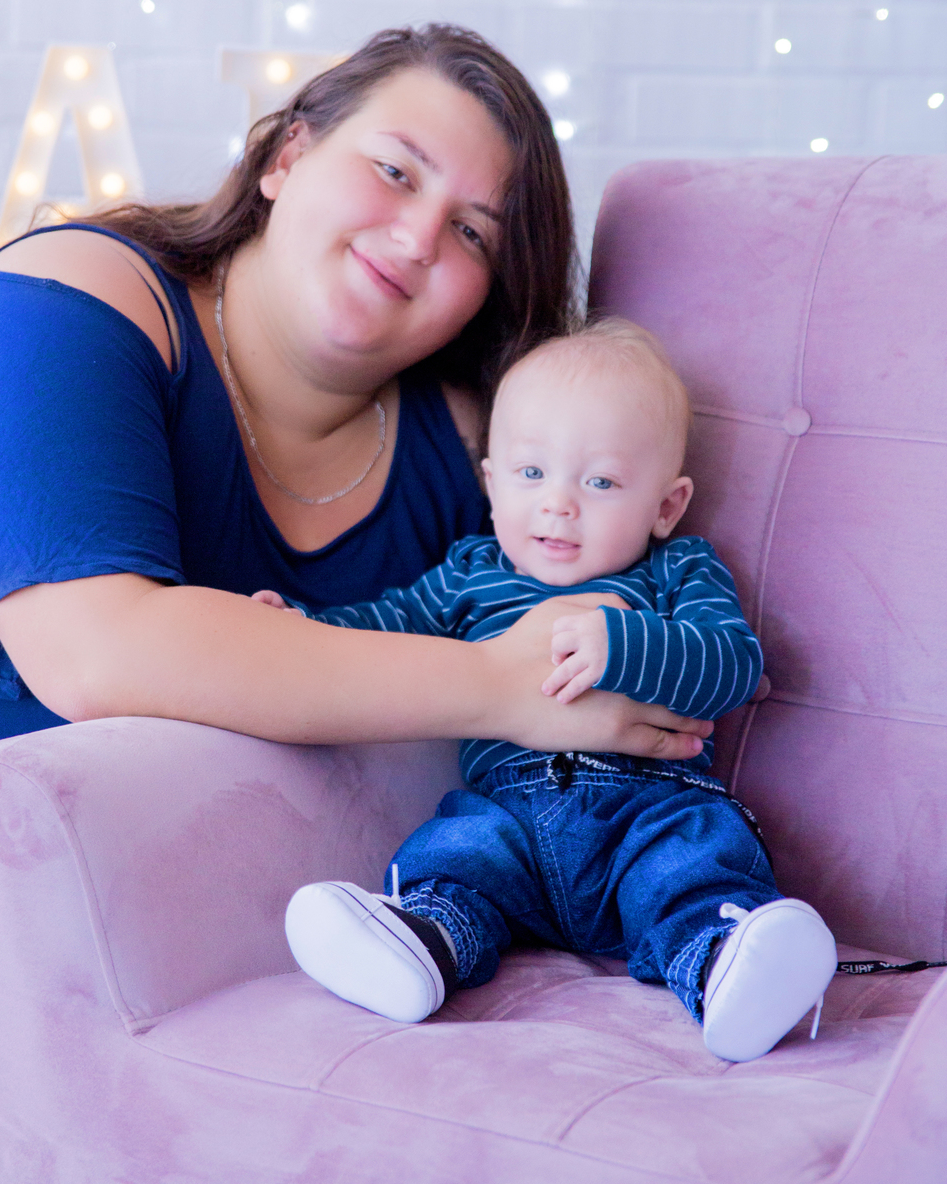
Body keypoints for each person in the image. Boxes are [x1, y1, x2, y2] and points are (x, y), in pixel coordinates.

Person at [0, 26, 713, 1184]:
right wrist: (504, 683)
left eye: (474, 233)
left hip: (188, 899)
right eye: (393, 168)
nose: (416, 234)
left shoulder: (459, 450)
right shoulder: (70, 298)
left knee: (363, 1102)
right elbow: (96, 649)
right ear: (284, 153)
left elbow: (559, 650)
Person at [274, 322, 838, 1060]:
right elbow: (382, 626)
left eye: (599, 481)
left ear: (666, 507)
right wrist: (303, 623)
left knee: (690, 868)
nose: (559, 504)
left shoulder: (677, 570)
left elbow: (732, 664)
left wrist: (626, 644)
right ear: (490, 483)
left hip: (649, 806)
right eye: (531, 474)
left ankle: (726, 966)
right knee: (459, 853)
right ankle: (421, 941)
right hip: (509, 806)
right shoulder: (470, 573)